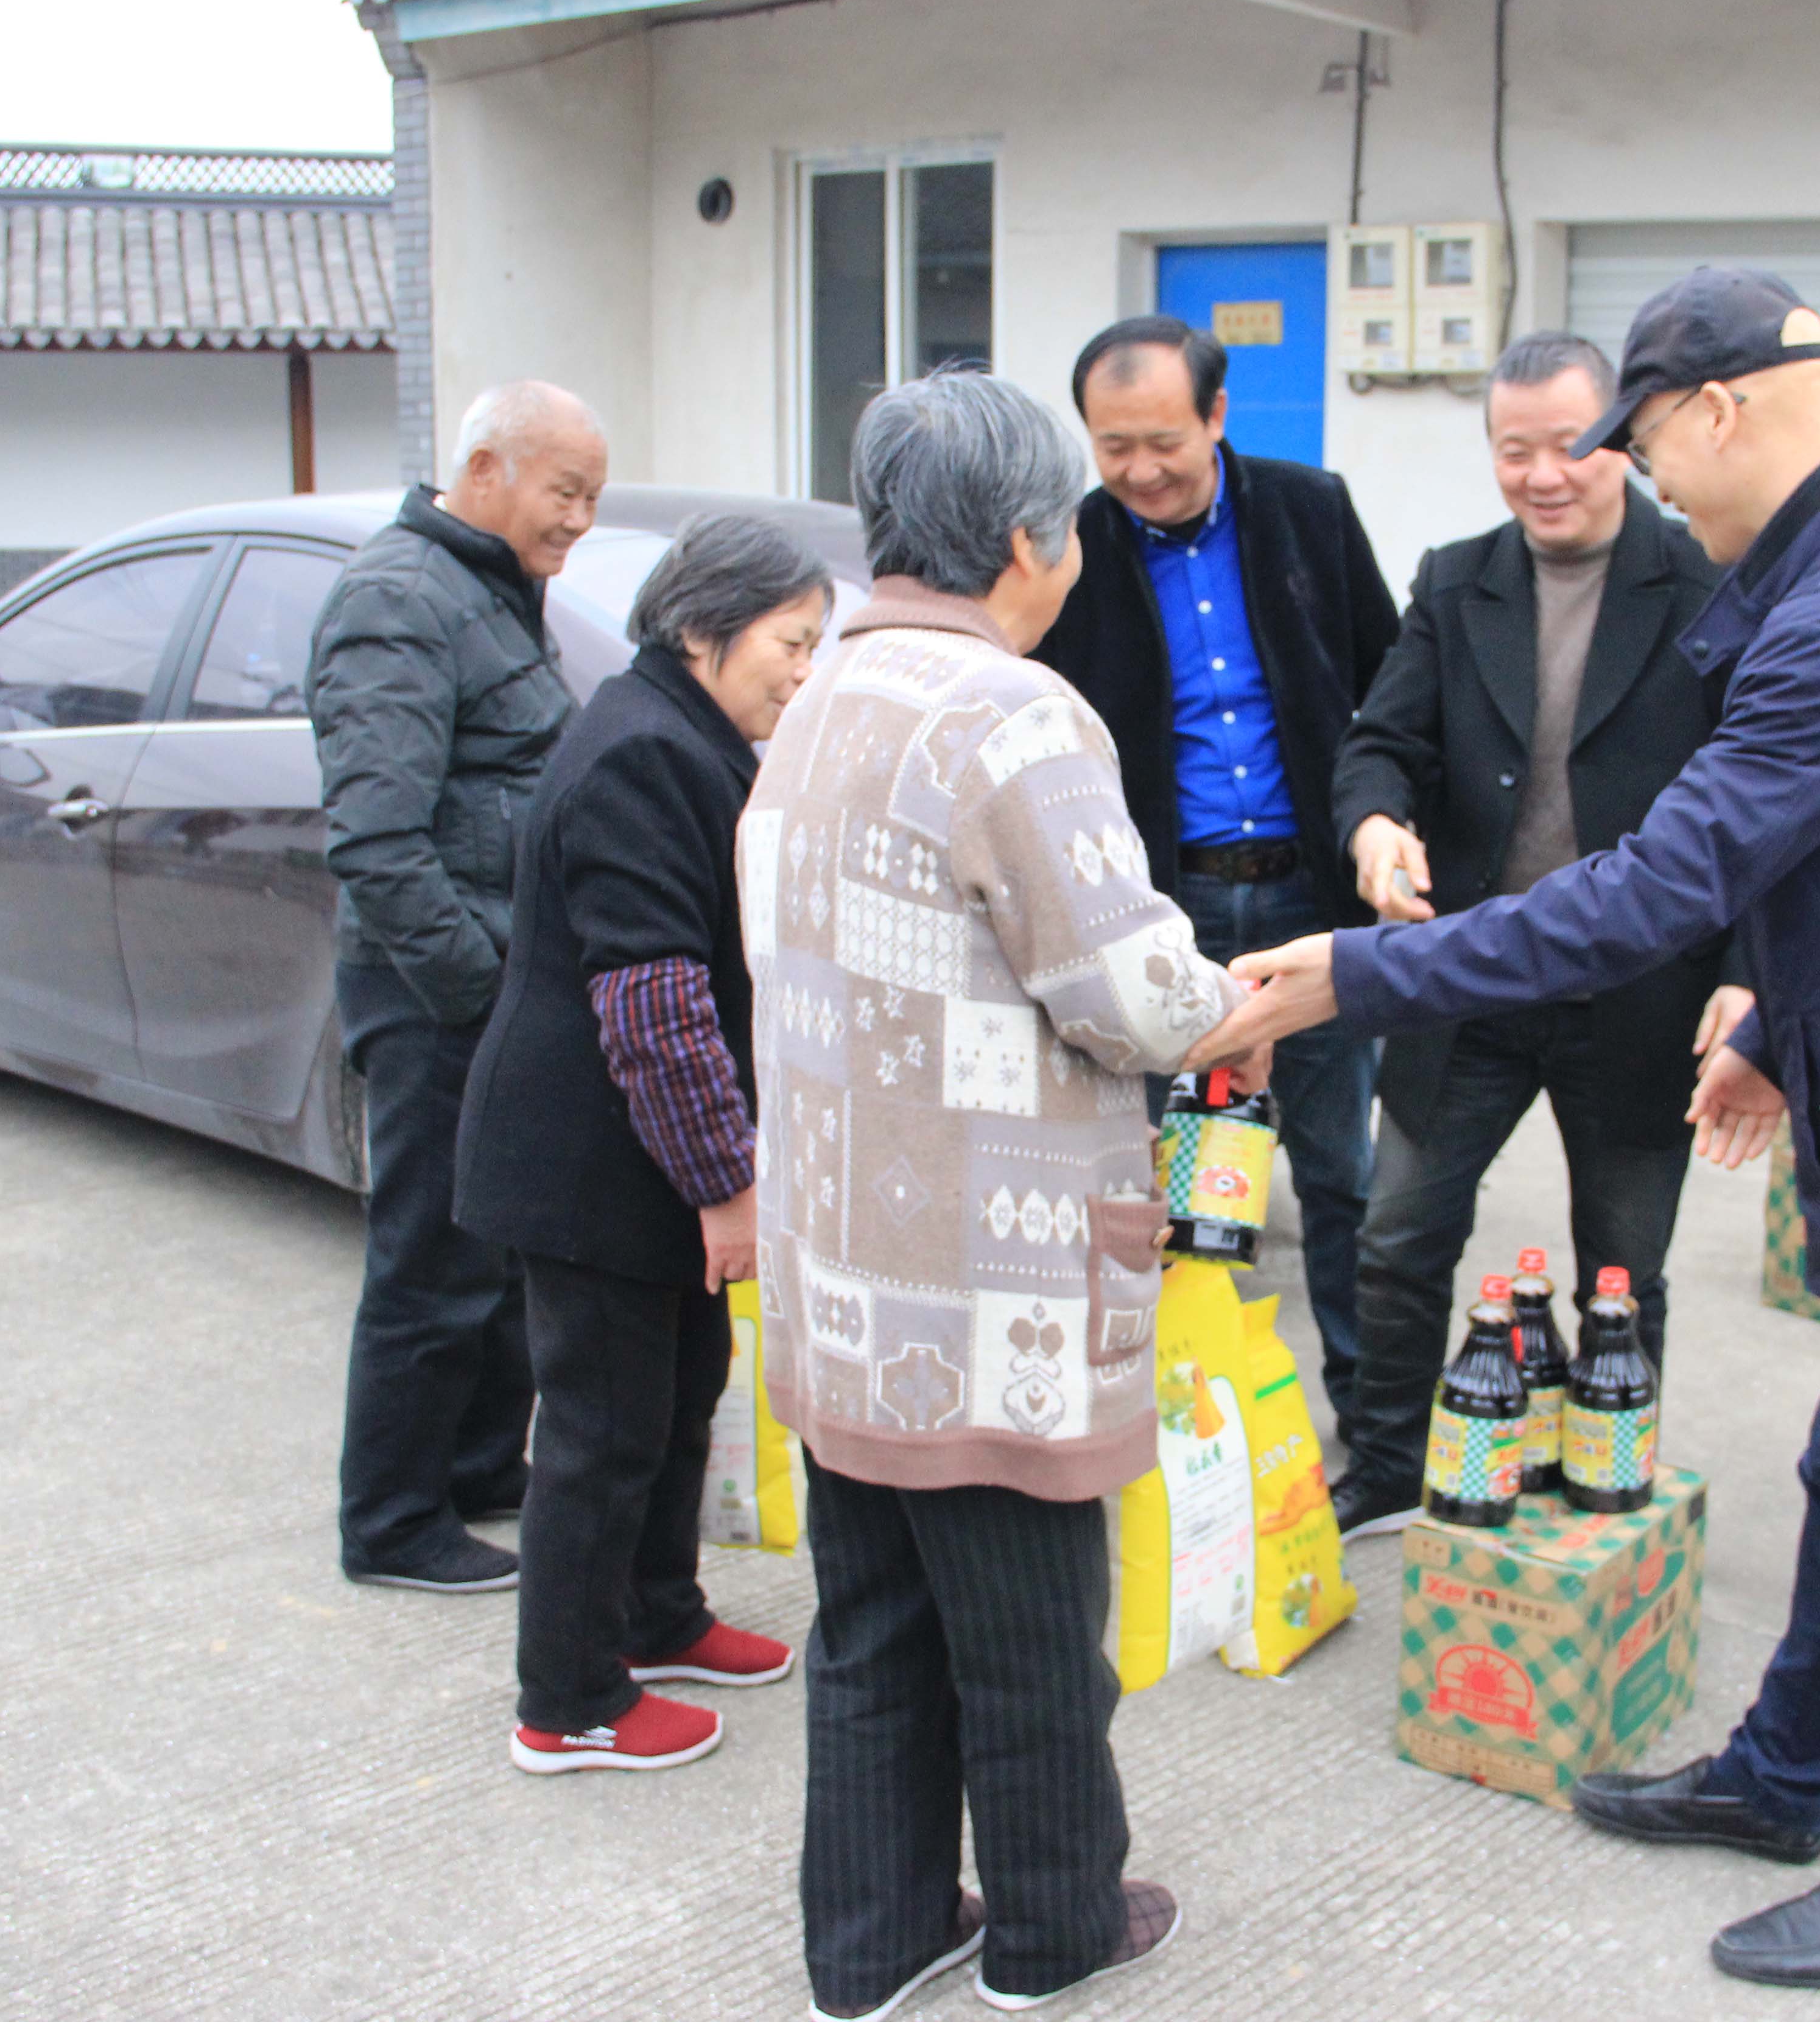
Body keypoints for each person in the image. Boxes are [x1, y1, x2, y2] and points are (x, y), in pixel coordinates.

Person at [1190, 270, 1820, 1990]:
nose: (1630, 474)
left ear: (1717, 408)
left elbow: (1659, 888)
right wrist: (1773, 1023)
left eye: (1639, 437)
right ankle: (1780, 1782)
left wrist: (1356, 975)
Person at [743, 369, 1263, 2021]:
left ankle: (873, 1940)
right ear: (1033, 539)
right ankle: (1053, 1930)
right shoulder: (1010, 712)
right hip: (984, 1280)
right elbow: (1128, 990)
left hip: (845, 1260)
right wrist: (1239, 994)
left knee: (872, 1623)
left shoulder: (821, 689)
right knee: (1034, 1636)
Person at [1324, 330, 1748, 1539]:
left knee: (1623, 1268)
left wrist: (1747, 977)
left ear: (1623, 439)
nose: (1544, 475)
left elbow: (1763, 802)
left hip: (1640, 989)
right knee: (1400, 1236)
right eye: (1516, 451)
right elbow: (1381, 742)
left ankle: (1600, 1479)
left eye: (1571, 445)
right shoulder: (1459, 581)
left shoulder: (1709, 585)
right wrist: (1375, 826)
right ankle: (1386, 1465)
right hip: (1471, 978)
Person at [454, 514, 831, 1774]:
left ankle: (658, 1614)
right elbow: (653, 1005)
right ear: (703, 628)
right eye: (791, 642)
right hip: (590, 1163)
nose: (803, 671)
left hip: (640, 1157)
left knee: (680, 1398)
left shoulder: (682, 731)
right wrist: (727, 1187)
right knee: (602, 1430)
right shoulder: (644, 753)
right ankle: (567, 1700)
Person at [1030, 316, 1397, 1428]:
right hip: (1162, 909)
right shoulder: (1072, 547)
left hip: (1307, 897)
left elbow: (1387, 684)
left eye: (1164, 442)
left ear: (1217, 416)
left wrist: (1383, 827)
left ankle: (1368, 1422)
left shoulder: (1309, 510)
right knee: (1156, 1174)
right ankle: (1164, 1423)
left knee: (1339, 1171)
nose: (1141, 470)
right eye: (1113, 447)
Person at [310, 381, 602, 1593]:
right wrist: (484, 995)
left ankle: (480, 1469)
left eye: (593, 498)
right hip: (434, 990)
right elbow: (378, 842)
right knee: (428, 1262)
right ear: (485, 470)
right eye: (565, 492)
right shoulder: (398, 599)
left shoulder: (490, 587)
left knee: (496, 1252)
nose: (580, 519)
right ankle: (390, 1522)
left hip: (494, 979)